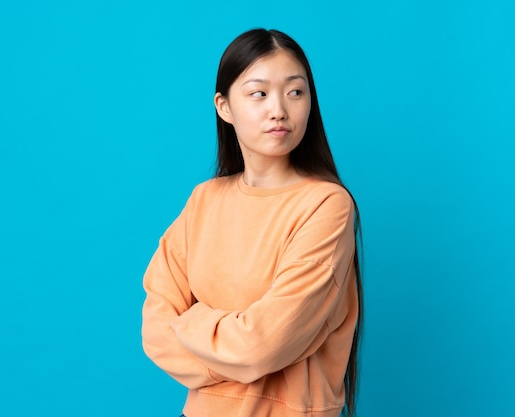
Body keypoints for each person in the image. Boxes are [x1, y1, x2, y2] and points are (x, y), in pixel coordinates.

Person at [141, 28, 363, 417]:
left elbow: (262, 345)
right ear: (224, 107)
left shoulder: (326, 205)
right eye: (258, 93)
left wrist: (192, 322)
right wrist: (233, 353)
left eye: (295, 92)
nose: (278, 109)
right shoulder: (203, 200)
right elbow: (156, 331)